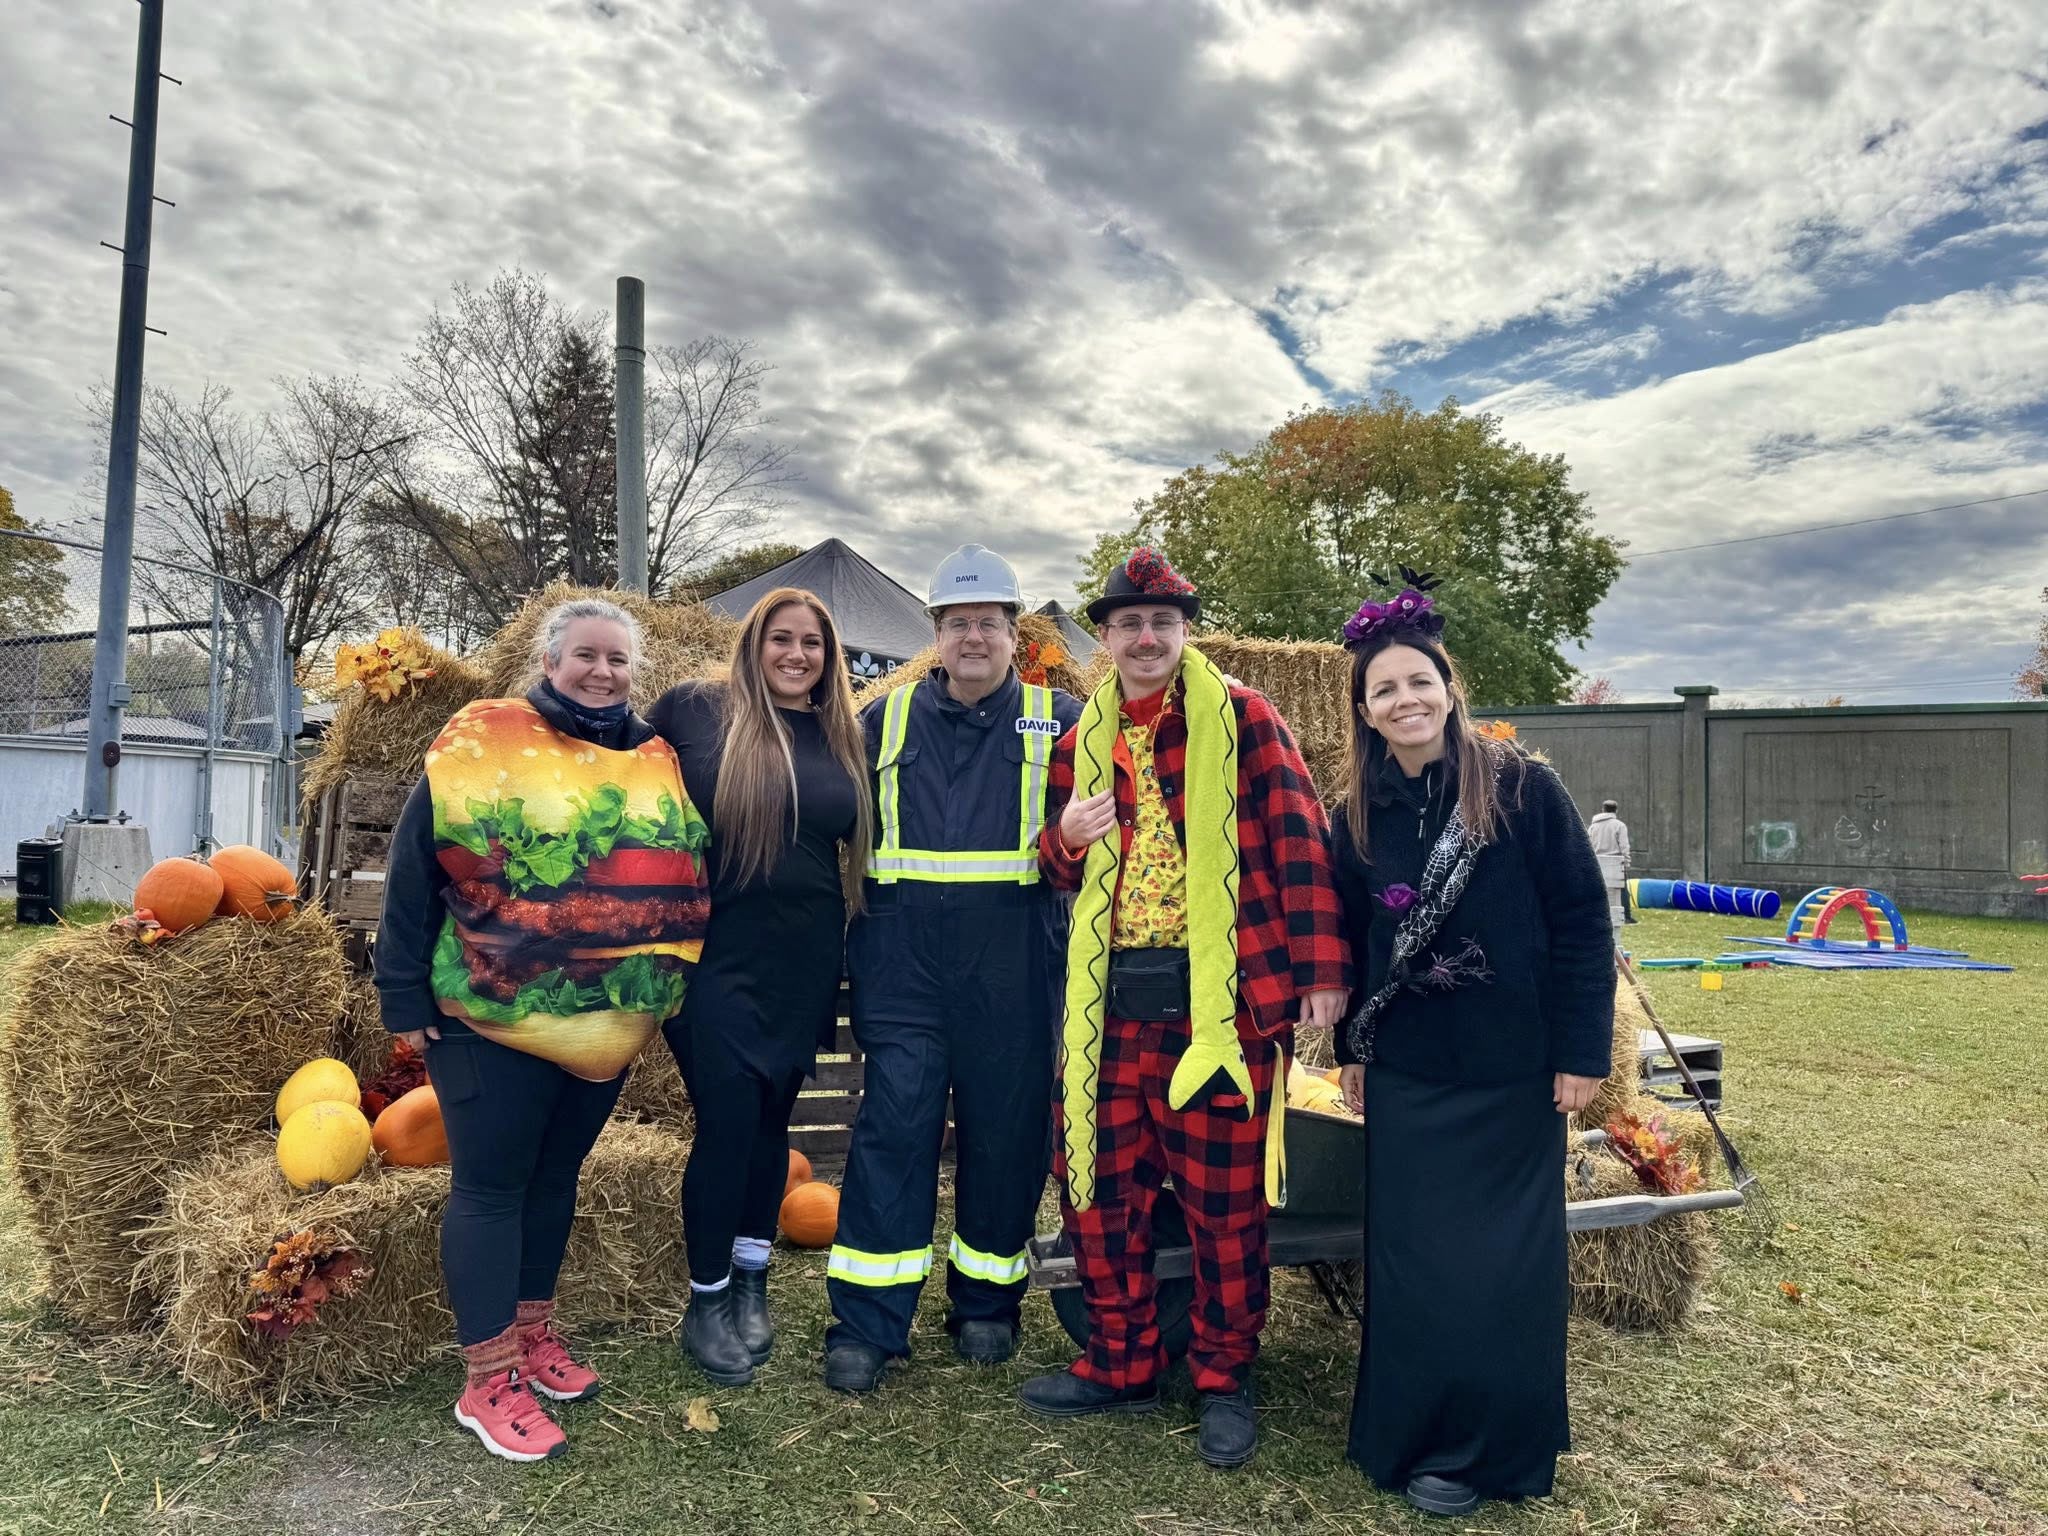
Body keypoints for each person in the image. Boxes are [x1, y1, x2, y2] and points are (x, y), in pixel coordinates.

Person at [1020, 547, 1350, 1469]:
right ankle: (1119, 1360)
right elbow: (1052, 872)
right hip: (1110, 1008)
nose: (1146, 636)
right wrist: (1062, 837)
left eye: (1162, 621)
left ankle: (1221, 1376)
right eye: (1128, 622)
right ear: (1107, 637)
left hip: (1223, 1006)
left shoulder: (1244, 718)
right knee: (1098, 1192)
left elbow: (1300, 840)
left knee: (1223, 1207)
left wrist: (1321, 968)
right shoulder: (1080, 738)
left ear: (1183, 630)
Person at [376, 598, 711, 1462]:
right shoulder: (485, 735)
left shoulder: (653, 755)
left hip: (607, 1024)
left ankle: (531, 1337)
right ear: (549, 657)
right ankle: (487, 1379)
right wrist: (403, 995)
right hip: (494, 1012)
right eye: (585, 656)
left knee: (555, 1175)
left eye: (618, 660)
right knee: (492, 1187)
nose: (603, 672)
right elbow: (417, 868)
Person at [1328, 572, 1613, 1518]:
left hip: (1512, 1072)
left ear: (1449, 689)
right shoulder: (1354, 812)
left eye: (1419, 682)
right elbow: (1358, 940)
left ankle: (1495, 1449)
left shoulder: (1526, 789)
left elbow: (1581, 922)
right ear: (1364, 711)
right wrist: (1353, 1054)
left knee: (1502, 1267)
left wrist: (1581, 1053)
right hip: (1411, 1074)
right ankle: (1411, 1436)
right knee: (1415, 1264)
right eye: (1384, 690)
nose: (1404, 700)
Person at [822, 545, 1084, 1393]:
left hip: (1016, 965)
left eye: (990, 624)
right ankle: (868, 1322)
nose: (974, 637)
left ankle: (986, 1305)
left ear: (1017, 635)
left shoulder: (1063, 718)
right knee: (894, 1130)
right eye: (958, 623)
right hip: (905, 970)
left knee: (1006, 1137)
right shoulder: (881, 721)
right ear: (935, 634)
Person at [647, 588, 872, 1387]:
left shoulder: (845, 733)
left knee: (775, 1120)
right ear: (755, 642)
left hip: (805, 958)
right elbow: (612, 772)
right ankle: (705, 1300)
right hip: (712, 958)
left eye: (813, 643)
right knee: (729, 1120)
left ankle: (751, 1279)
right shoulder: (695, 711)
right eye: (782, 638)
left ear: (829, 655)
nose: (797, 655)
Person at [1587, 799, 1634, 926]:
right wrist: (1626, 862)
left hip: (1597, 861)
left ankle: (1595, 914)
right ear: (1616, 810)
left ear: (1602, 809)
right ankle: (1626, 916)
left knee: (1597, 889)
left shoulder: (1593, 826)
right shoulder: (1619, 825)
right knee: (1621, 890)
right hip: (1615, 861)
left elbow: (1588, 844)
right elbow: (1624, 846)